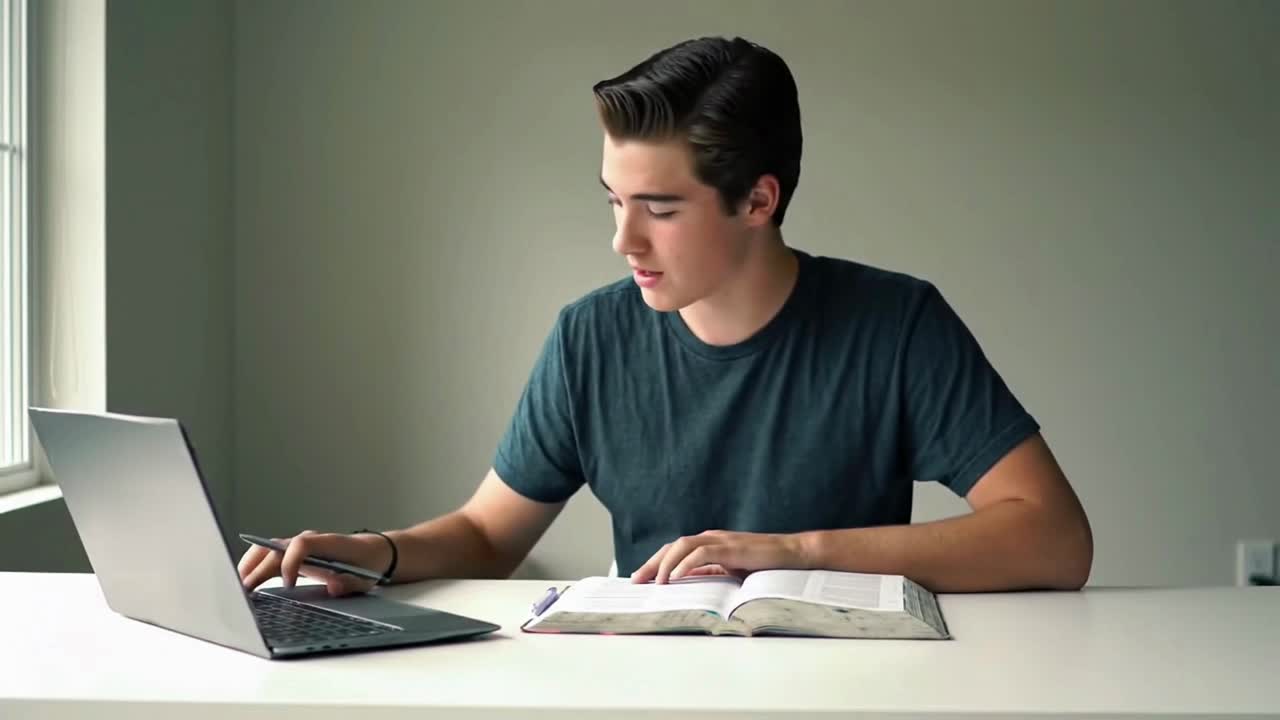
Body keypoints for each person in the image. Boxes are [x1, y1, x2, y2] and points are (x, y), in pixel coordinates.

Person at [239, 36, 1093, 598]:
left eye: (661, 208)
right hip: (647, 687)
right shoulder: (590, 337)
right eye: (613, 202)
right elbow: (485, 535)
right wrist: (372, 551)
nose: (624, 240)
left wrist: (796, 552)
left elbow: (1054, 538)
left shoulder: (896, 323)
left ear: (759, 199)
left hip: (844, 691)